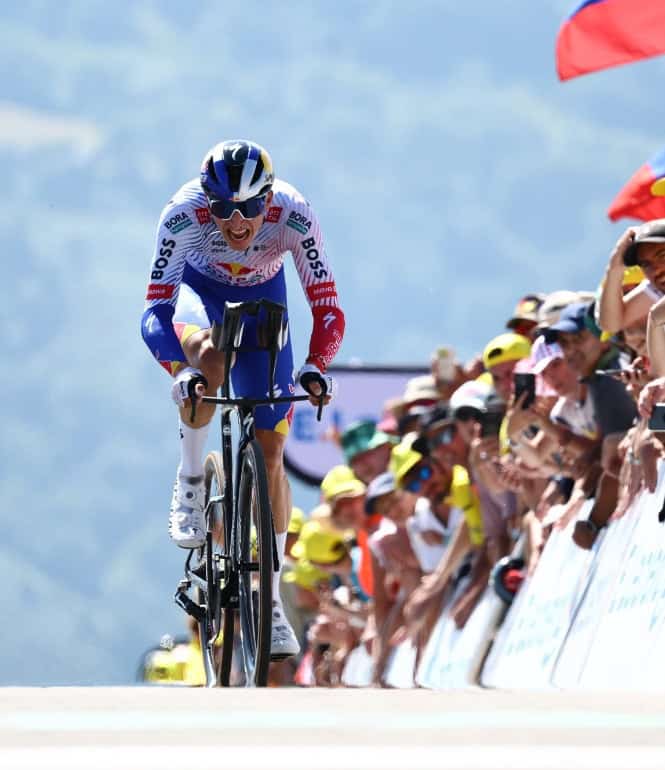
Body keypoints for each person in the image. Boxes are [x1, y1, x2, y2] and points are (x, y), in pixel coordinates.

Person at [141, 139, 346, 657]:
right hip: (197, 290)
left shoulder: (294, 216)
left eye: (251, 208)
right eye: (225, 210)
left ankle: (271, 602)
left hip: (262, 299)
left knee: (272, 452)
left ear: (269, 201)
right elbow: (155, 313)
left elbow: (327, 308)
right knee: (208, 359)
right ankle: (190, 477)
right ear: (206, 202)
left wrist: (317, 365)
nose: (238, 222)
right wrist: (178, 369)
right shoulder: (182, 214)